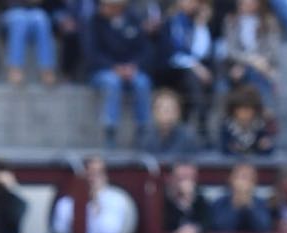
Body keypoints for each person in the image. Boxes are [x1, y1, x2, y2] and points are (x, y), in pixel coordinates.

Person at [88, 0, 153, 147]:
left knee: (143, 82)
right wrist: (113, 67)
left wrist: (134, 66)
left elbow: (145, 49)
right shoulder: (94, 21)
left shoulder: (133, 19)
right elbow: (92, 53)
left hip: (131, 69)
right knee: (112, 82)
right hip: (102, 71)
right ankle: (110, 130)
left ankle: (142, 129)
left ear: (120, 7)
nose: (104, 7)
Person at [50, 154, 136, 233]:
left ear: (105, 176)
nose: (93, 178)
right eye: (90, 173)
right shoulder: (66, 203)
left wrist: (96, 205)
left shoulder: (117, 200)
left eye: (98, 173)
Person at [157, 0, 212, 135]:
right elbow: (174, 53)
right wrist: (195, 66)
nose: (191, 3)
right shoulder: (173, 21)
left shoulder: (195, 23)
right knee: (192, 79)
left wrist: (201, 25)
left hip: (191, 73)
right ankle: (201, 122)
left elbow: (201, 52)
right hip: (170, 70)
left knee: (200, 80)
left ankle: (199, 120)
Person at [217, 0, 279, 105]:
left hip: (263, 66)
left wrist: (258, 62)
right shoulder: (231, 20)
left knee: (258, 76)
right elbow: (231, 51)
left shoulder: (269, 21)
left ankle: (264, 112)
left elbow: (272, 50)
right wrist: (250, 61)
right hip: (237, 64)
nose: (247, 3)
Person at [0, 0, 58, 86]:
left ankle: (47, 69)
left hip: (34, 12)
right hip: (8, 13)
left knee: (41, 18)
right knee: (20, 19)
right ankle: (15, 68)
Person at [206, 161, 270, 233]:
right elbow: (220, 228)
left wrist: (249, 205)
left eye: (248, 178)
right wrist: (236, 205)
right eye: (241, 177)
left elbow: (264, 228)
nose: (244, 183)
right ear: (231, 179)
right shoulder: (219, 203)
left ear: (254, 182)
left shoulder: (261, 203)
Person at [139, 88, 203, 155]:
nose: (165, 113)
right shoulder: (145, 136)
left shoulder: (189, 136)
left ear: (178, 112)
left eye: (170, 109)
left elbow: (199, 161)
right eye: (161, 108)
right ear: (153, 112)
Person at [217, 83, 274, 156]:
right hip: (232, 165)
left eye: (249, 109)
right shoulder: (227, 126)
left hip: (257, 164)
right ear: (234, 110)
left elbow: (268, 149)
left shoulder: (260, 126)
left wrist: (265, 146)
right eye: (242, 109)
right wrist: (234, 150)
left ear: (255, 110)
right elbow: (224, 150)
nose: (245, 114)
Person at [161, 159, 206, 233]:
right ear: (170, 178)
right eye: (182, 178)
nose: (186, 183)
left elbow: (206, 223)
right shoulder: (160, 201)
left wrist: (195, 229)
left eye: (190, 178)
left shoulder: (200, 200)